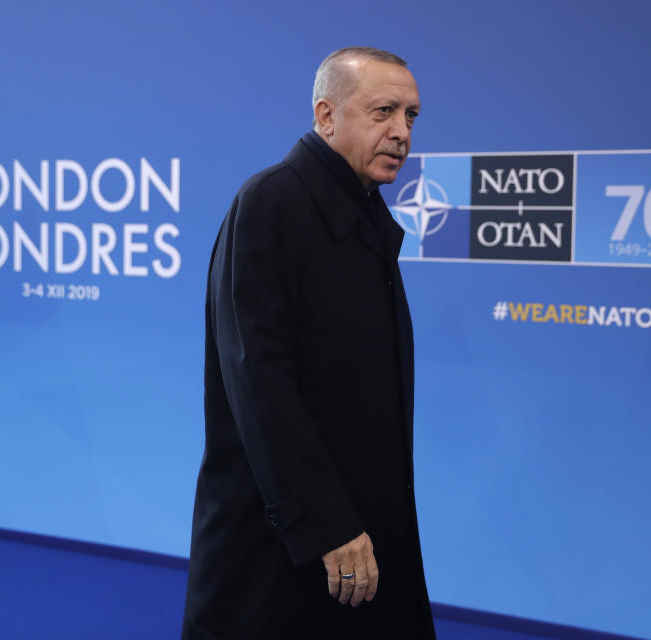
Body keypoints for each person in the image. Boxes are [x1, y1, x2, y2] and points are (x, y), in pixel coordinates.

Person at [182, 47, 436, 639]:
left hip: (363, 531)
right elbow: (259, 383)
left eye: (412, 116)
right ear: (326, 116)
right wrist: (324, 523)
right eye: (383, 112)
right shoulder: (270, 204)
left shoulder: (366, 213)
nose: (401, 132)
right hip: (288, 543)